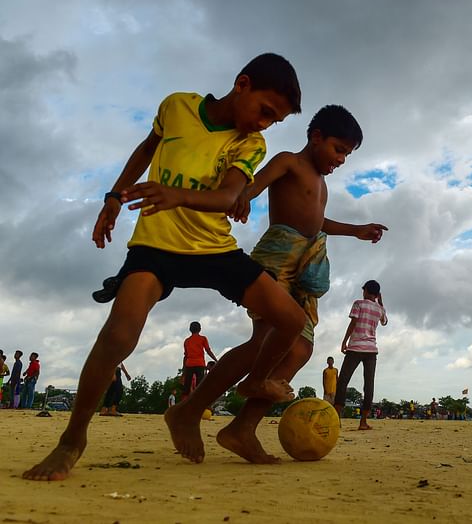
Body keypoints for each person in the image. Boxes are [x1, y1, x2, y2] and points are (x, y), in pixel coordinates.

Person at [24, 53, 305, 482]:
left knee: (290, 319)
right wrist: (114, 196)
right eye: (266, 111)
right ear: (242, 84)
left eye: (275, 121)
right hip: (156, 247)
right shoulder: (177, 106)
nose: (265, 124)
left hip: (214, 249)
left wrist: (178, 195)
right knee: (118, 335)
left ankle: (195, 408)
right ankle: (71, 439)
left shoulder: (251, 143)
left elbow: (229, 197)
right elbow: (145, 149)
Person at [164, 105, 386, 464]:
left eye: (347, 154)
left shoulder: (322, 183)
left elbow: (317, 222)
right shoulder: (289, 162)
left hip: (304, 269)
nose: (342, 159)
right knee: (262, 344)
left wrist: (355, 230)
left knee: (299, 350)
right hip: (276, 260)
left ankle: (242, 427)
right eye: (339, 149)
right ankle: (188, 411)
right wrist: (241, 200)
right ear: (315, 138)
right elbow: (253, 187)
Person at [334, 280, 388, 431]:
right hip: (371, 350)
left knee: (343, 381)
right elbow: (384, 322)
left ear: (365, 291)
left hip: (356, 347)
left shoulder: (359, 303)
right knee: (368, 385)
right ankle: (363, 422)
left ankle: (336, 417)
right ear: (377, 294)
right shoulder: (380, 309)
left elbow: (353, 323)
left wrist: (344, 341)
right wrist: (381, 303)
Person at [182, 321, 217, 398]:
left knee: (186, 387)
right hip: (199, 364)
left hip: (189, 364)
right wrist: (216, 360)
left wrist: (183, 370)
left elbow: (186, 356)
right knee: (199, 387)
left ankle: (184, 403)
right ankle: (198, 402)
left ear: (190, 329)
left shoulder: (187, 341)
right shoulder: (203, 339)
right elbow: (208, 351)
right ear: (200, 329)